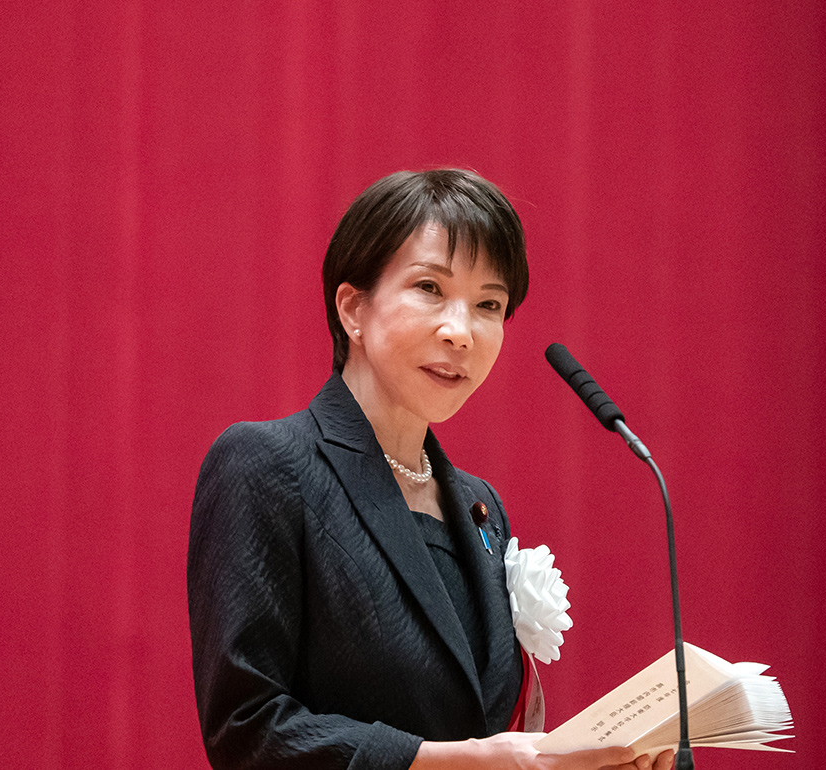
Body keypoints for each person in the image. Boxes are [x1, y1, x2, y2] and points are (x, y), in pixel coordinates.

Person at [188, 169, 673, 770]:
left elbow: (484, 732)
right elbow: (246, 730)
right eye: (429, 288)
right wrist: (464, 760)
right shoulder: (267, 465)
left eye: (489, 304)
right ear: (353, 309)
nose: (461, 331)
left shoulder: (479, 506)